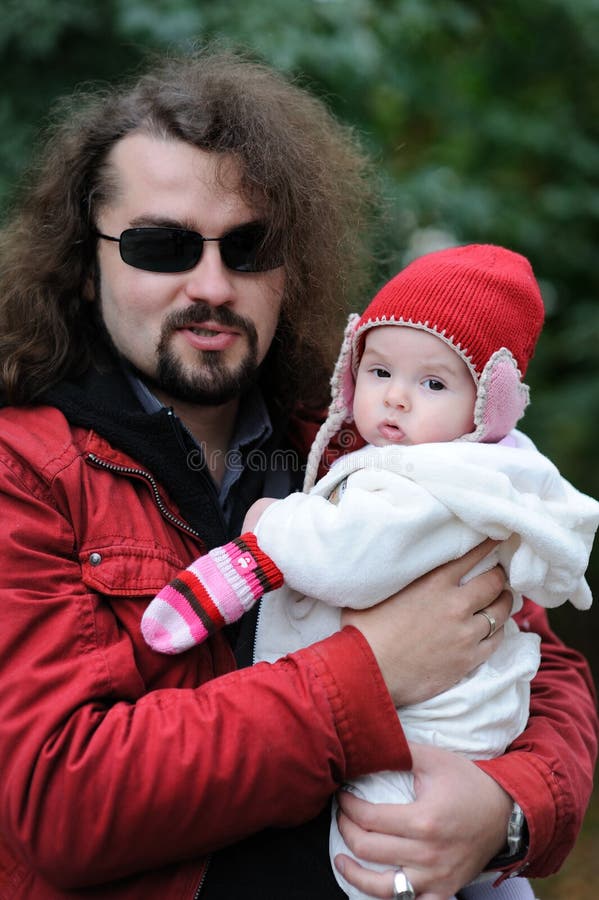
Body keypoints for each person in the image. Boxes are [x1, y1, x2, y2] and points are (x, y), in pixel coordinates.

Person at [0, 46, 596, 900]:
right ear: (85, 266)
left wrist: (508, 810)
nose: (212, 284)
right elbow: (60, 804)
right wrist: (370, 670)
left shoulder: (370, 439)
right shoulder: (24, 470)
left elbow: (544, 664)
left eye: (251, 247)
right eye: (162, 246)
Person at [142, 243, 599, 899]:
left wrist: (270, 529)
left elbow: (348, 557)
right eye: (380, 372)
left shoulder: (436, 485)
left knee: (377, 855)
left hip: (427, 736)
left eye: (433, 384)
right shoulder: (472, 473)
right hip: (441, 727)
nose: (397, 399)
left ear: (487, 408)